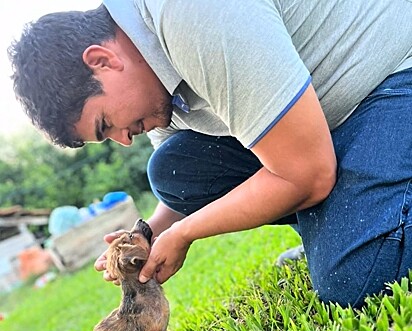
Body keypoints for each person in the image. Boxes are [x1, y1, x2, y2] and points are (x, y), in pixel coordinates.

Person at [8, 0, 412, 308]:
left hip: (390, 74)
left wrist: (185, 234)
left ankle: (356, 223)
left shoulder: (190, 16)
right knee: (172, 170)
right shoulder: (151, 81)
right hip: (328, 122)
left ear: (102, 60)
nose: (123, 140)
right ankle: (336, 224)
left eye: (105, 125)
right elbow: (187, 192)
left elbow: (309, 173)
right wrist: (149, 234)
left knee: (359, 276)